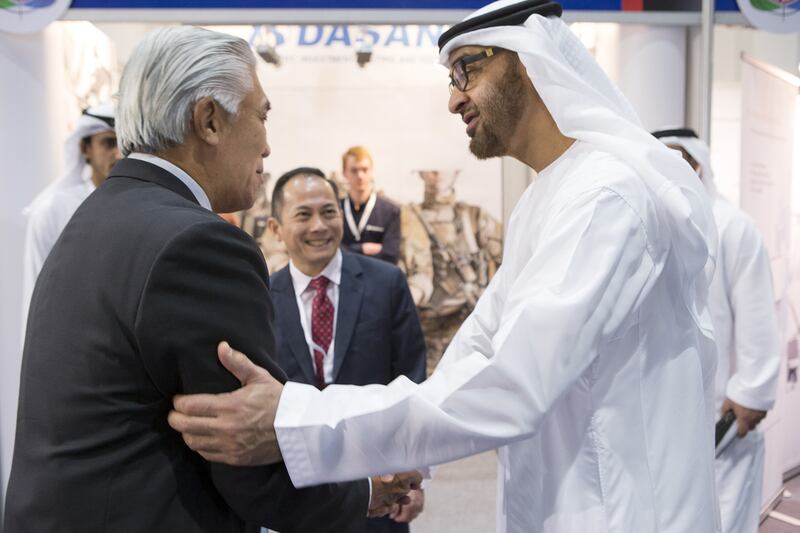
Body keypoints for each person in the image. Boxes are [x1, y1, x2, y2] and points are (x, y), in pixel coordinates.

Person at [168, 2, 721, 531]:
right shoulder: (550, 196)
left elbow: (512, 382)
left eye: (466, 70)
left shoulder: (608, 194)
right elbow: (477, 351)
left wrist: (295, 421)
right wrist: (403, 456)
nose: (454, 101)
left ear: (528, 62)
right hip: (570, 499)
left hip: (624, 510)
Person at [4, 26, 417, 533]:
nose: (268, 145)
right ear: (209, 121)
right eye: (262, 115)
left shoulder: (96, 217)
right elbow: (247, 460)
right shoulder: (198, 245)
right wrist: (371, 489)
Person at [267, 166, 427, 532]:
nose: (319, 226)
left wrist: (415, 477)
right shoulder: (260, 298)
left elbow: (412, 382)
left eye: (329, 212)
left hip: (381, 490)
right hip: (295, 502)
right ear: (276, 229)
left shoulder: (386, 284)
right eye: (303, 215)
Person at [654, 127, 780, 533]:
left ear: (699, 164)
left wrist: (749, 396)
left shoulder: (733, 227)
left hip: (723, 425)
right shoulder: (654, 227)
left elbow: (758, 320)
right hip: (667, 427)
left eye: (680, 160)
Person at [21, 103, 120, 326]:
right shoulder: (52, 209)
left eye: (124, 143)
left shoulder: (142, 206)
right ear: (85, 149)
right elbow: (37, 296)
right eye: (109, 142)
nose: (119, 153)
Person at [400, 169, 503, 374]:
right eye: (430, 167)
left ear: (456, 171)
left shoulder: (475, 218)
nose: (437, 173)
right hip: (424, 332)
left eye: (443, 166)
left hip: (469, 329)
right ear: (420, 172)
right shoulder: (407, 219)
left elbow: (509, 264)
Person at [340, 146, 401, 264]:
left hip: (379, 279)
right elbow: (331, 253)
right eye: (354, 170)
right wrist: (363, 248)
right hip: (344, 278)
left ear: (372, 171)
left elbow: (391, 255)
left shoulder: (391, 211)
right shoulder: (335, 210)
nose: (360, 176)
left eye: (364, 169)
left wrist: (349, 250)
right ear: (344, 173)